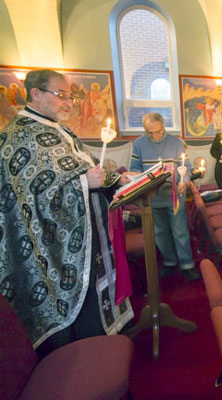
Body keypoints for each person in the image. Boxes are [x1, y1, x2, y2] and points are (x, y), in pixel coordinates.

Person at [0, 69, 134, 357]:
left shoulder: (58, 129)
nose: (69, 102)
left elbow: (81, 168)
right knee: (77, 302)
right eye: (61, 95)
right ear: (36, 94)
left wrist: (114, 178)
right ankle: (78, 355)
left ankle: (101, 337)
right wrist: (85, 182)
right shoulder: (19, 136)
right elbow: (31, 195)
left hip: (88, 229)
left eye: (69, 96)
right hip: (53, 246)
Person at [130, 112, 201, 280]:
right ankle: (169, 262)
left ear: (164, 127)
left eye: (158, 131)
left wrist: (184, 180)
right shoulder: (139, 144)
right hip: (151, 197)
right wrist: (138, 177)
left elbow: (187, 167)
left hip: (174, 194)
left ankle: (187, 264)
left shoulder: (176, 143)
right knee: (160, 232)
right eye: (150, 132)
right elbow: (134, 168)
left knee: (180, 231)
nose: (154, 136)